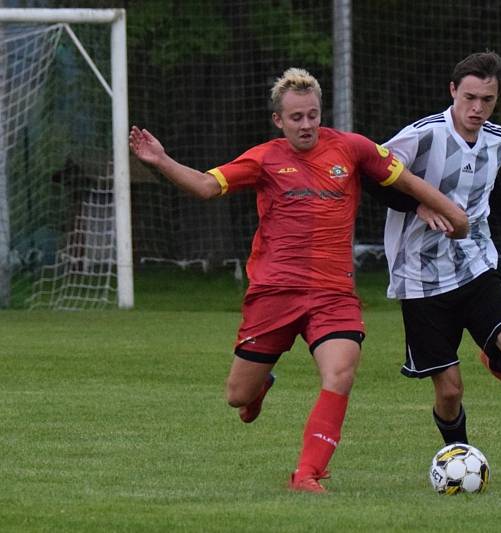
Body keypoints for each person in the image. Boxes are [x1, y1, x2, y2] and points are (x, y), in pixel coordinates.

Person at [128, 68, 468, 493]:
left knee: (341, 372)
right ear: (278, 120)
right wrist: (160, 160)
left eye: (313, 115)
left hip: (333, 294)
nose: (306, 125)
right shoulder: (264, 159)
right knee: (237, 396)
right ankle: (258, 388)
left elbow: (409, 182)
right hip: (274, 293)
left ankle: (307, 474)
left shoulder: (352, 148)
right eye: (296, 118)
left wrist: (456, 215)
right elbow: (204, 187)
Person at [380, 52, 501, 447]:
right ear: (452, 90)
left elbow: (493, 192)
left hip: (474, 265)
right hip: (420, 280)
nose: (477, 108)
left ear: (497, 98)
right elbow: (374, 175)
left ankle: (494, 355)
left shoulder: (498, 139)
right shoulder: (423, 135)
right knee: (450, 391)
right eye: (469, 97)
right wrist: (417, 203)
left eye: (486, 100)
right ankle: (458, 454)